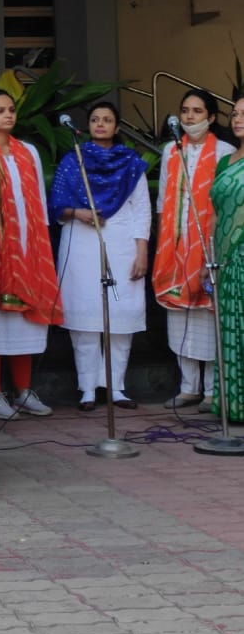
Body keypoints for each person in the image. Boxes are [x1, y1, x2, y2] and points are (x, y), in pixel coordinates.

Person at [49, 101, 150, 410]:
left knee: (120, 318)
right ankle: (88, 389)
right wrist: (78, 212)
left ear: (117, 127)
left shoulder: (131, 163)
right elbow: (55, 206)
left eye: (107, 120)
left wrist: (142, 252)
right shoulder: (72, 160)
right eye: (95, 119)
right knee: (85, 319)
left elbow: (142, 210)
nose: (100, 124)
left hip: (122, 243)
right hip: (81, 242)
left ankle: (116, 388)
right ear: (87, 126)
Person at [0, 89, 63, 420]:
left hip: (30, 248)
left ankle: (24, 391)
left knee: (25, 320)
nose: (7, 115)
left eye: (11, 110)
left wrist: (38, 247)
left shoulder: (30, 152)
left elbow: (38, 197)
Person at [153, 88, 233, 409]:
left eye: (197, 112)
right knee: (179, 315)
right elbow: (162, 202)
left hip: (208, 244)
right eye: (185, 110)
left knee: (208, 317)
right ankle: (188, 387)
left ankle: (213, 391)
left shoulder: (224, 151)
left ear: (211, 117)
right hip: (175, 247)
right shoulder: (171, 151)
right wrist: (162, 244)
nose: (189, 117)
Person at [210, 97, 244, 422]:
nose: (237, 119)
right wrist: (212, 256)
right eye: (234, 113)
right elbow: (216, 215)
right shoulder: (225, 162)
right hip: (226, 257)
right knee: (231, 328)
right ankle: (234, 406)